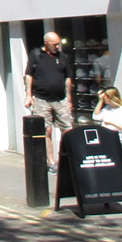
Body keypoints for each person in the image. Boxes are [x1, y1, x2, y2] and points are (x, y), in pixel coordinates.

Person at [24, 31, 73, 175]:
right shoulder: (36, 55)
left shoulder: (62, 57)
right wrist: (28, 95)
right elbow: (29, 75)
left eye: (59, 44)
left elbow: (68, 79)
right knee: (46, 130)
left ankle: (67, 159)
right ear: (46, 43)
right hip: (41, 99)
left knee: (68, 129)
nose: (57, 47)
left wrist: (69, 99)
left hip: (61, 99)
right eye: (54, 44)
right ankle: (51, 161)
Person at [93, 85, 122, 154]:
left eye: (105, 97)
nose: (104, 99)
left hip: (114, 142)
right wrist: (100, 101)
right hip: (103, 140)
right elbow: (96, 117)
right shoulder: (107, 108)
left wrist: (110, 123)